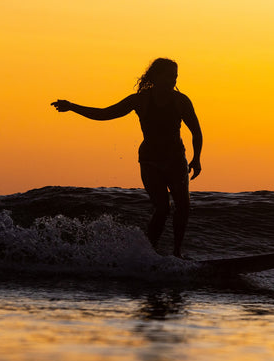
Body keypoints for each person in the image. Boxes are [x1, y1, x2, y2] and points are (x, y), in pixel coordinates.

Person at [51, 58, 203, 258]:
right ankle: (149, 254)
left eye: (175, 76)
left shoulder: (181, 101)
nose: (172, 80)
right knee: (162, 208)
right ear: (155, 76)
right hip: (150, 161)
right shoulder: (140, 100)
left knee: (183, 206)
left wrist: (197, 158)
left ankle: (177, 254)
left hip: (176, 160)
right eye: (168, 76)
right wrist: (72, 107)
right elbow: (104, 114)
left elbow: (196, 131)